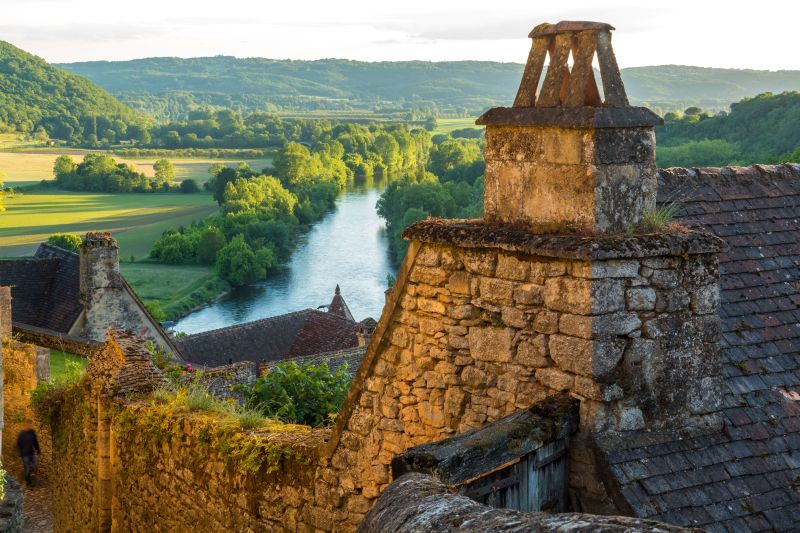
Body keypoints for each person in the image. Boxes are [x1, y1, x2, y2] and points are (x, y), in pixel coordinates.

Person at [16, 419, 40, 486]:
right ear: (26, 425)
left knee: (35, 465)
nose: (30, 426)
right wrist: (20, 452)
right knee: (27, 469)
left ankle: (31, 477)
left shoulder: (32, 432)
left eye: (31, 425)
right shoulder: (22, 434)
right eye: (29, 424)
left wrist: (38, 450)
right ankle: (28, 483)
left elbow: (35, 442)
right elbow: (18, 444)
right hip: (25, 454)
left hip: (32, 453)